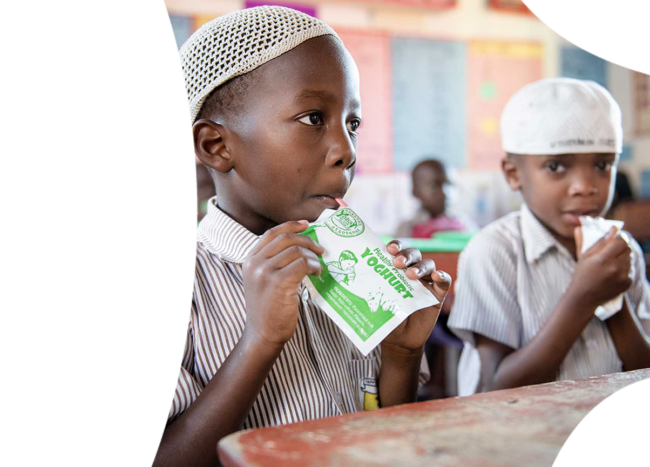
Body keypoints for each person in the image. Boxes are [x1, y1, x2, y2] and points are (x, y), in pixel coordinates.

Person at [153, 7, 451, 466]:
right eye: (314, 118)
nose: (347, 152)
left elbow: (387, 433)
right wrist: (260, 340)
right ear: (216, 146)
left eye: (352, 124)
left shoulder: (358, 264)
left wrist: (401, 355)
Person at [448, 78, 650, 397]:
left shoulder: (624, 251)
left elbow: (643, 368)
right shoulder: (495, 251)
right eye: (556, 166)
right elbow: (496, 389)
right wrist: (583, 297)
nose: (586, 185)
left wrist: (614, 301)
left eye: (602, 165)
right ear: (514, 174)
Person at [396, 159, 472, 239]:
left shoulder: (465, 225)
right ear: (415, 191)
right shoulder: (406, 229)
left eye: (448, 184)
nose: (444, 192)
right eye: (434, 186)